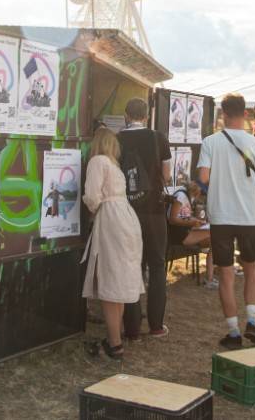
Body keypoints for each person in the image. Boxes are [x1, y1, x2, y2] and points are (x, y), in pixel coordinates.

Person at [197, 92, 255, 350]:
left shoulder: (210, 142)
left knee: (226, 273)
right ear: (245, 114)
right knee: (252, 268)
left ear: (222, 114)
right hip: (249, 214)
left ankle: (233, 332)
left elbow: (204, 177)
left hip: (221, 215)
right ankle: (252, 321)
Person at [77, 127, 144, 360]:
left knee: (109, 280)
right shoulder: (114, 165)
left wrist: (94, 211)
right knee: (119, 279)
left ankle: (114, 344)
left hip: (111, 220)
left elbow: (92, 196)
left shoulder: (97, 162)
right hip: (127, 218)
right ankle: (115, 339)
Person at [117, 98, 172, 339]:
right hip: (154, 210)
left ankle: (131, 328)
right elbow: (167, 175)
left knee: (132, 266)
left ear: (126, 115)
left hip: (126, 211)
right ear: (147, 116)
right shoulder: (159, 138)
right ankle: (157, 325)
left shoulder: (117, 139)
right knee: (157, 265)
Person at [167, 181, 216, 288]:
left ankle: (210, 276)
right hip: (178, 235)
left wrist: (196, 221)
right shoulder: (181, 196)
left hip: (185, 231)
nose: (200, 198)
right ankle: (209, 278)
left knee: (214, 239)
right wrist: (192, 222)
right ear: (196, 192)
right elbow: (172, 219)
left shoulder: (186, 197)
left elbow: (184, 216)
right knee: (214, 237)